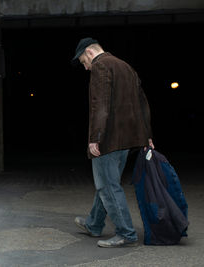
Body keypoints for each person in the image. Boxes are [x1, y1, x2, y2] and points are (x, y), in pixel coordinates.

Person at [71, 37, 154, 248]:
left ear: (90, 52)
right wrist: (147, 135)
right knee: (108, 183)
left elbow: (100, 106)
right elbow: (142, 103)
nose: (86, 68)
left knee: (108, 187)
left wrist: (95, 138)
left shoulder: (101, 66)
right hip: (126, 140)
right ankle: (94, 224)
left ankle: (126, 233)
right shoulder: (126, 66)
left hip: (108, 140)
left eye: (83, 62)